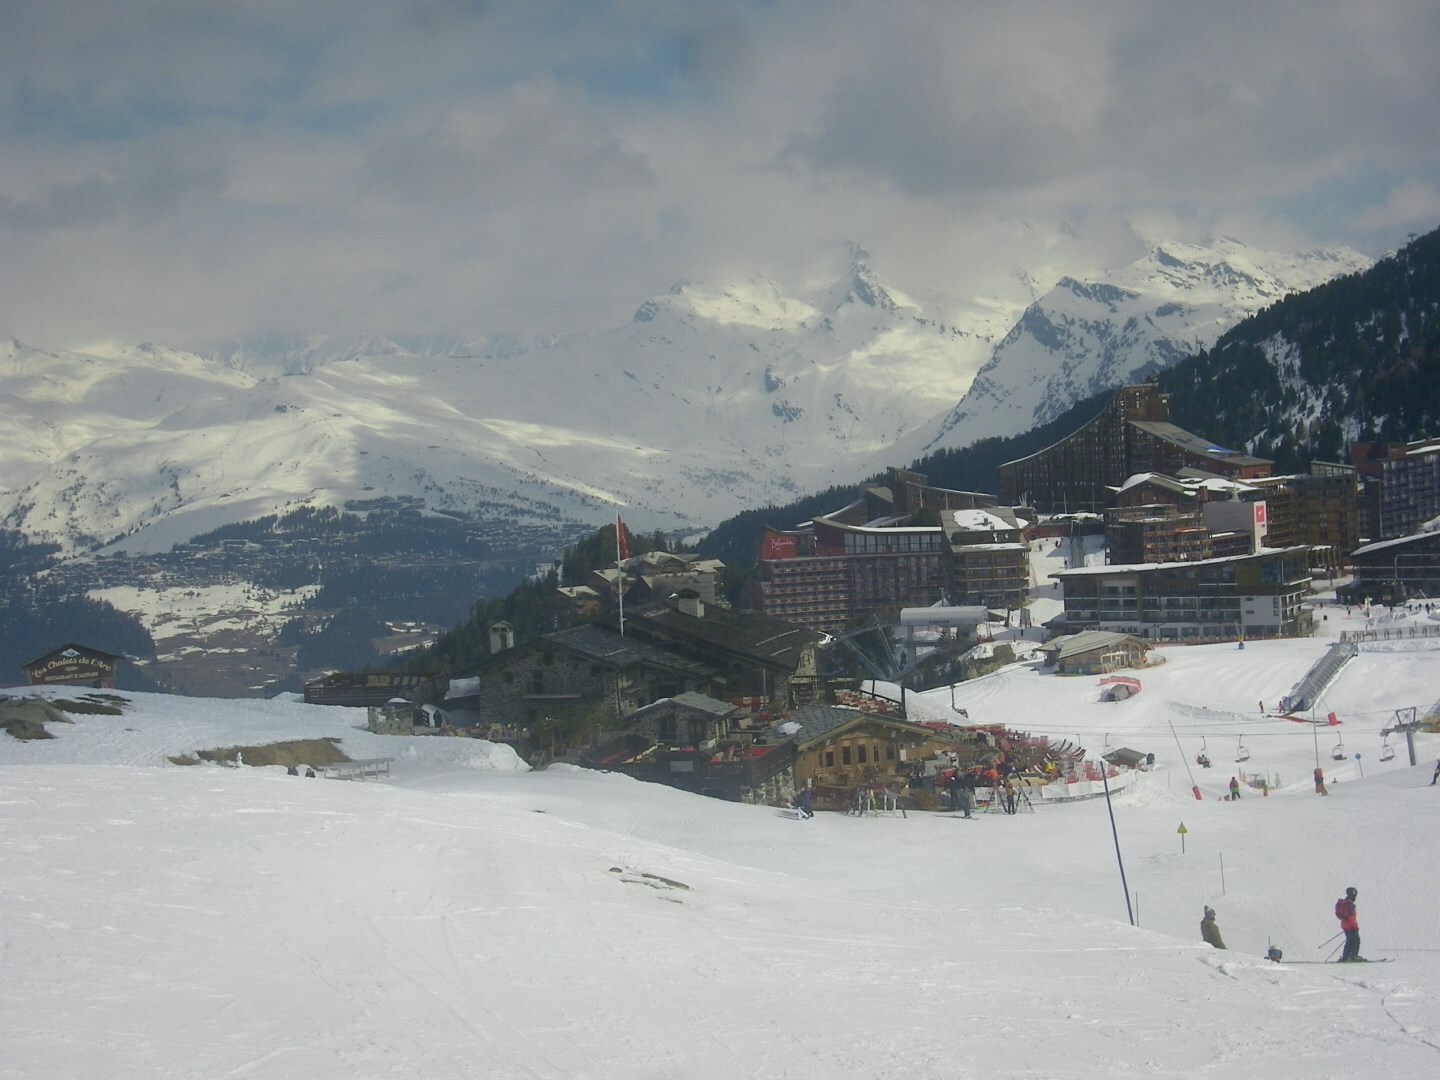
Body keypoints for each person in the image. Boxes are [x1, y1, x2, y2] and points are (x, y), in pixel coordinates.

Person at [1335, 886, 1364, 962]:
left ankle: (1346, 956)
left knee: (1350, 941)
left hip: (1344, 924)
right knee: (1355, 941)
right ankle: (1353, 956)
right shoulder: (1349, 904)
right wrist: (1355, 926)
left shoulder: (1344, 903)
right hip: (1351, 925)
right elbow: (1351, 917)